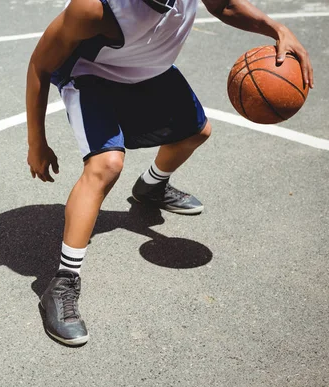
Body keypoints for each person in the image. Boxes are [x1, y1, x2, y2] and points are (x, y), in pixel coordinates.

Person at [25, 0, 313, 346]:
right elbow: (40, 66)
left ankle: (151, 187)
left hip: (147, 70)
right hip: (92, 75)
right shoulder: (94, 9)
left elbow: (225, 6)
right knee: (107, 164)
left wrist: (278, 29)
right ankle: (62, 284)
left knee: (197, 132)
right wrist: (36, 142)